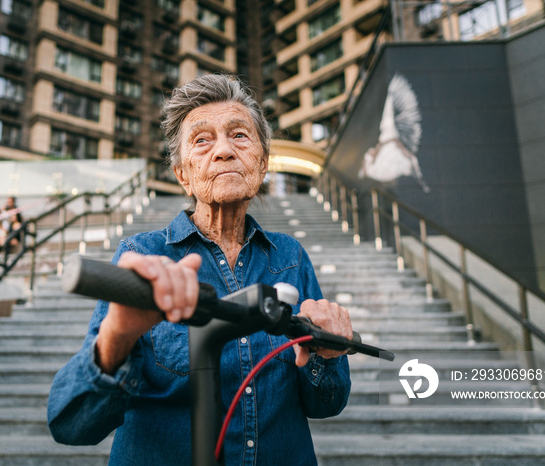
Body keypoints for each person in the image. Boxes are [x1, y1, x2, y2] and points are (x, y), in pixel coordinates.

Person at [47, 75, 352, 465]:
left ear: (261, 165)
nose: (223, 150)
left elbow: (326, 404)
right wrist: (116, 336)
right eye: (202, 140)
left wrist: (327, 354)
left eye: (239, 135)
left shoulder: (290, 257)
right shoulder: (141, 254)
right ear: (182, 175)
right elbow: (72, 424)